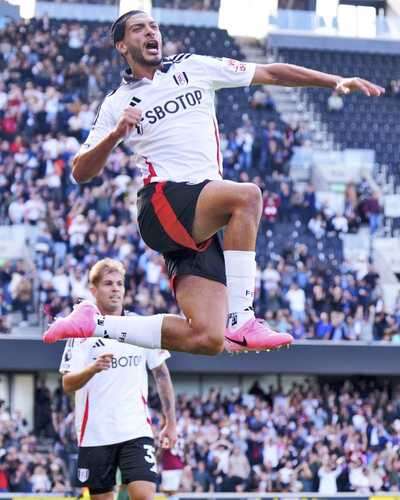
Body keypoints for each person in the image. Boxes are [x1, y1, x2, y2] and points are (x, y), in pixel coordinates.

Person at [43, 10, 384, 356]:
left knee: (207, 338)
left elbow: (270, 73)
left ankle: (94, 322)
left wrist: (334, 80)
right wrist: (116, 134)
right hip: (164, 203)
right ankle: (242, 317)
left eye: (154, 26)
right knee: (247, 197)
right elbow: (80, 171)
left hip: (197, 219)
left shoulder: (193, 67)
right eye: (138, 28)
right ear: (121, 45)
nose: (150, 32)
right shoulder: (116, 102)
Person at [59, 258, 177, 500]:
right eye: (108, 284)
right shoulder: (81, 333)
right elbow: (67, 383)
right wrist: (92, 369)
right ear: (94, 290)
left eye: (119, 284)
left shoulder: (140, 326)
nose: (115, 289)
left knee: (144, 494)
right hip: (95, 434)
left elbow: (161, 374)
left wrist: (171, 422)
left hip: (135, 430)